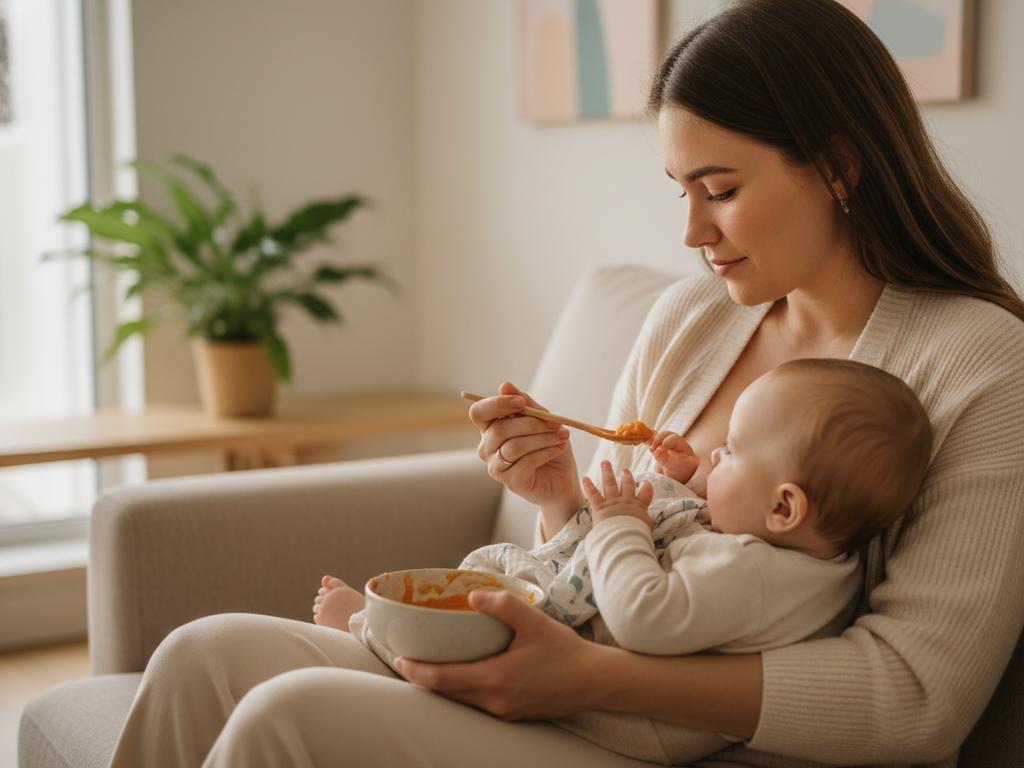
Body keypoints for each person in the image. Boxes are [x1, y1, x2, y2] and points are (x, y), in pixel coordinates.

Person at [107, 1, 1024, 766]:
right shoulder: (690, 319)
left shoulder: (980, 361)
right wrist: (554, 498)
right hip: (573, 684)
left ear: (839, 167)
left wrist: (596, 679)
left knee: (288, 717)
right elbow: (600, 556)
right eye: (680, 191)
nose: (692, 233)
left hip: (682, 738)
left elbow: (918, 696)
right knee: (204, 652)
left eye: (720, 189)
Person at [314, 358, 933, 764]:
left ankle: (371, 630)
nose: (715, 455)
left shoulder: (752, 571)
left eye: (732, 451)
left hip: (603, 724)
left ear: (785, 506)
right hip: (601, 696)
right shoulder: (808, 562)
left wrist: (618, 524)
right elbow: (713, 554)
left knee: (479, 630)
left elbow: (645, 614)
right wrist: (689, 484)